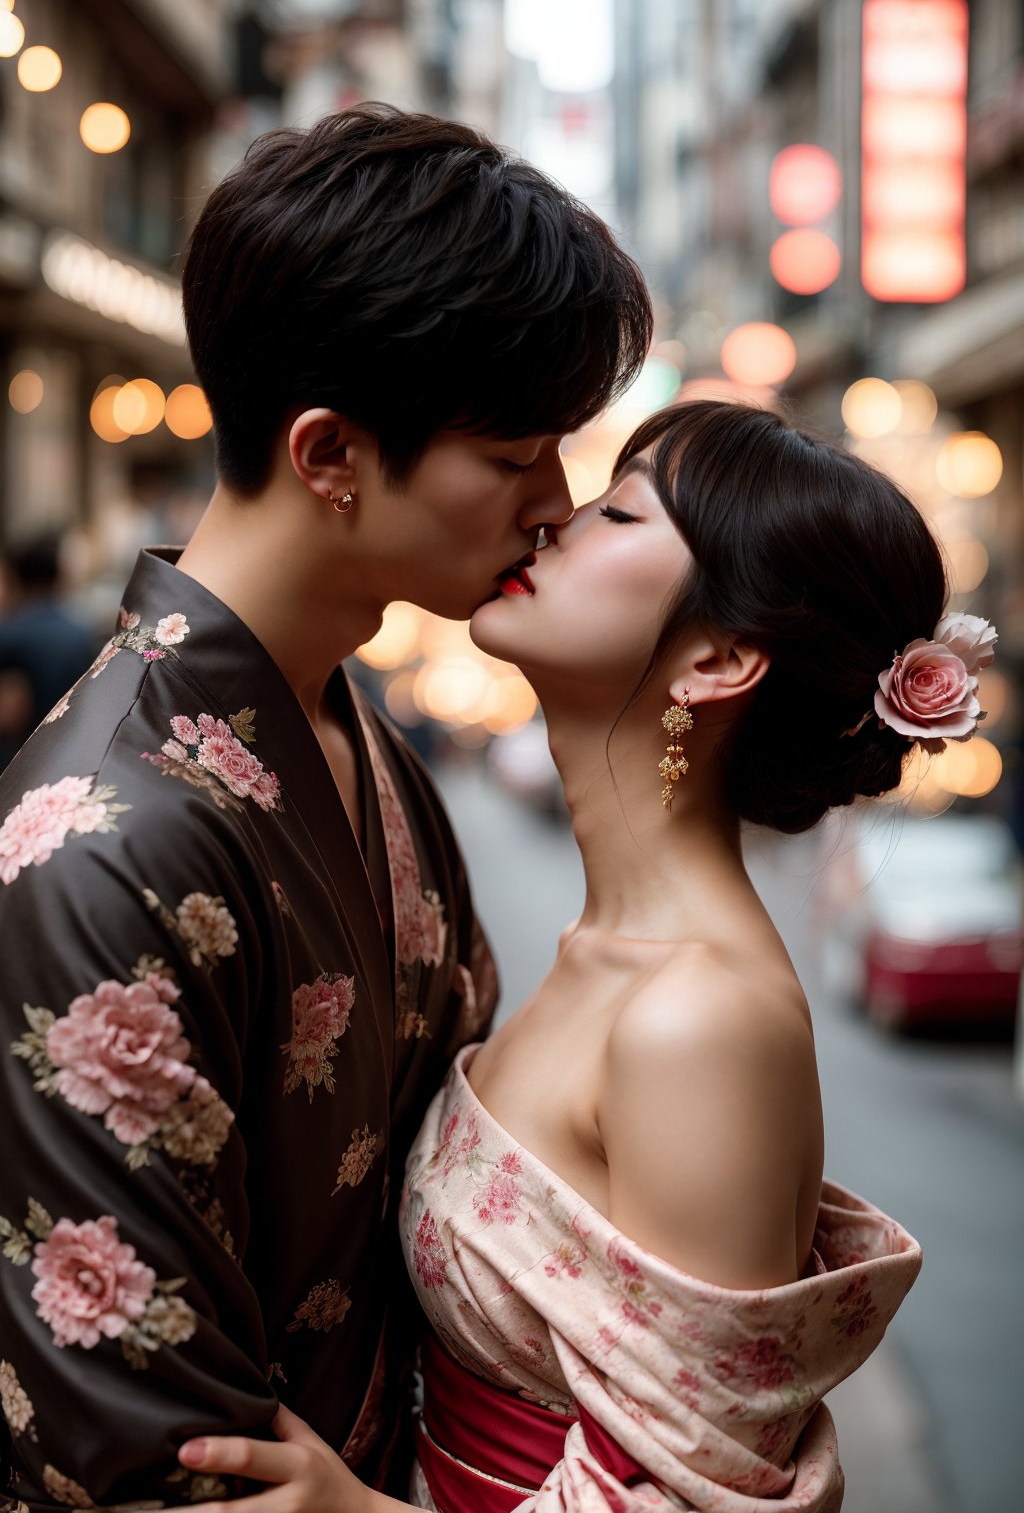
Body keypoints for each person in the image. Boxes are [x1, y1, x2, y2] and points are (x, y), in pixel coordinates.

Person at [170, 400, 996, 1512]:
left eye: (616, 510)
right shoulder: (604, 953)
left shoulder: (699, 1017)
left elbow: (696, 1493)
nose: (553, 518)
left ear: (715, 660)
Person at [0, 105, 652, 1509]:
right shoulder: (105, 845)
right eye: (513, 454)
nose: (555, 501)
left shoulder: (356, 728)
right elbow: (152, 1453)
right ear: (330, 455)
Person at [0, 532, 98, 771]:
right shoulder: (82, 631)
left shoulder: (11, 633)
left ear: (16, 578)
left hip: (23, 757)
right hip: (76, 750)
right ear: (58, 576)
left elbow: (9, 713)